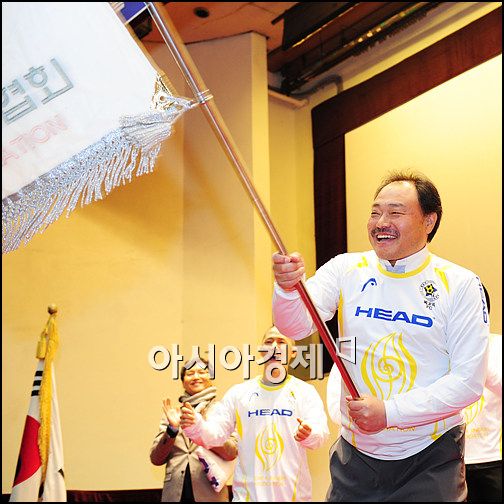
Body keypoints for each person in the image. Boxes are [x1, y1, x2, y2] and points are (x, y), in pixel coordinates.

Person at [271, 171, 489, 501]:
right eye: (375, 212)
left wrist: (390, 412)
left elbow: (468, 383)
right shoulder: (346, 269)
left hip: (431, 457)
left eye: (395, 212)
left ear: (428, 222)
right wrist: (288, 289)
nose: (381, 222)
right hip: (355, 457)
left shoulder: (460, 284)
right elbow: (296, 326)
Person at [180, 326, 329, 502]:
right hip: (248, 497)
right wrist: (195, 425)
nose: (274, 346)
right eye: (269, 342)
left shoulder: (305, 391)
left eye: (281, 342)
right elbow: (215, 434)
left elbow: (321, 433)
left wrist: (309, 433)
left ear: (293, 352)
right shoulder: (239, 393)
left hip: (293, 496)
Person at [150, 358, 238, 502]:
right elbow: (156, 458)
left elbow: (232, 452)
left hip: (210, 494)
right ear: (183, 381)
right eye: (190, 373)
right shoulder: (173, 413)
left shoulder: (222, 410)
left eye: (202, 372)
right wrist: (172, 430)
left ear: (210, 378)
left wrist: (201, 429)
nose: (196, 377)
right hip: (175, 495)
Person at [464, 286, 502, 502]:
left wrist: (477, 359)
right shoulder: (440, 347)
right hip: (448, 461)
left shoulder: (498, 345)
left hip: (493, 459)